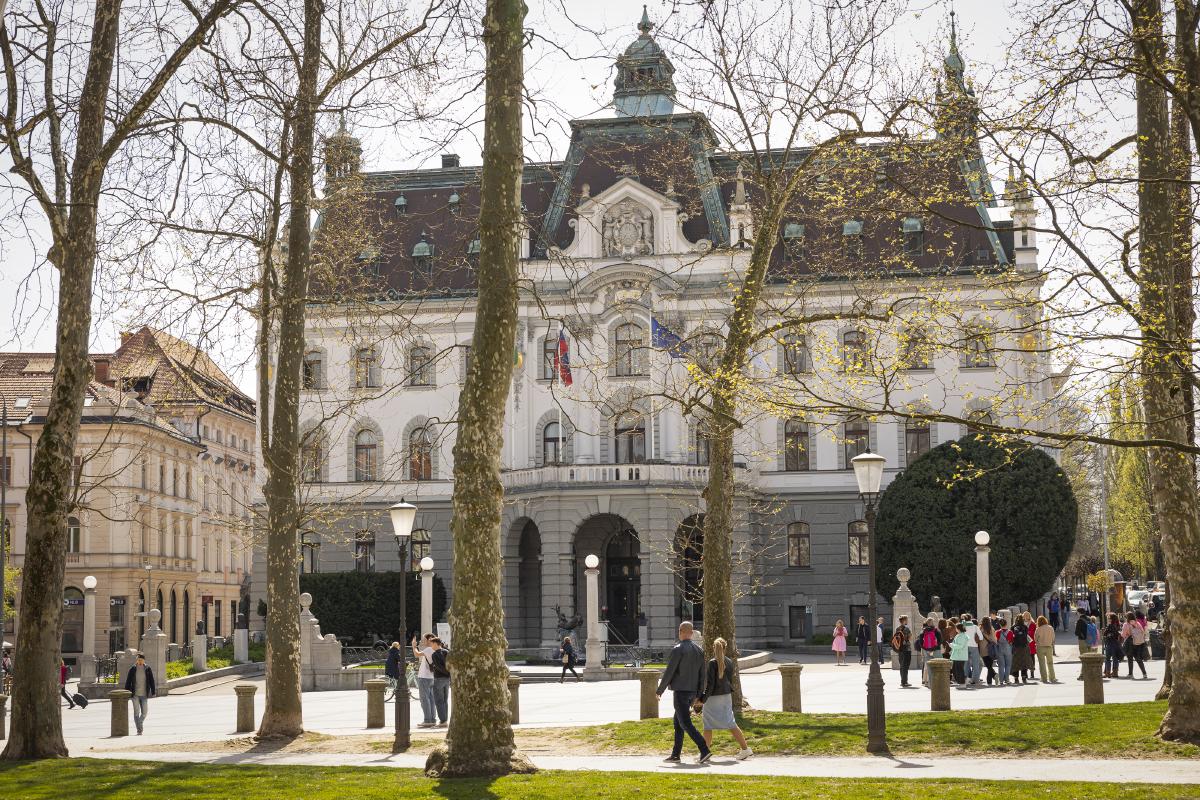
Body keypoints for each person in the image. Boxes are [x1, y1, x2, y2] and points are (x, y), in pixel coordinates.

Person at [656, 621, 711, 764]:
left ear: (680, 632)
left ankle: (704, 749)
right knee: (678, 722)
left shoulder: (678, 649)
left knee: (685, 723)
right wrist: (699, 694)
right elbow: (702, 675)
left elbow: (670, 671)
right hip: (692, 692)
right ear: (691, 633)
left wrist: (660, 690)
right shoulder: (699, 651)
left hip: (680, 691)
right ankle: (676, 754)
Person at [698, 637, 752, 760]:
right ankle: (745, 749)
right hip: (726, 696)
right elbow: (730, 681)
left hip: (713, 698)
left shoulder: (712, 663)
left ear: (713, 648)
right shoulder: (729, 662)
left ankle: (705, 752)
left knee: (708, 725)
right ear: (725, 648)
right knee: (731, 722)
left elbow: (710, 685)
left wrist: (702, 699)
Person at [123, 652, 156, 735]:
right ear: (136, 660)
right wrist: (126, 693)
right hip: (135, 695)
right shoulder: (133, 669)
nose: (140, 661)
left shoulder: (147, 669)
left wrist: (153, 691)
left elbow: (152, 681)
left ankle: (139, 723)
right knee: (136, 713)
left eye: (141, 660)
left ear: (144, 660)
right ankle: (139, 730)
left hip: (144, 694)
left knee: (145, 712)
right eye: (138, 660)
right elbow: (128, 682)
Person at [412, 633, 437, 728]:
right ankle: (432, 719)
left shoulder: (428, 649)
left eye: (424, 639)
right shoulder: (435, 649)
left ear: (429, 639)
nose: (423, 641)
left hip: (424, 677)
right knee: (431, 699)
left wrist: (414, 646)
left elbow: (416, 654)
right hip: (432, 677)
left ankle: (427, 720)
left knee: (424, 699)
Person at [429, 636, 451, 726]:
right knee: (445, 700)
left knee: (438, 700)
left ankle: (443, 720)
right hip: (447, 679)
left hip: (439, 678)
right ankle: (445, 719)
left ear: (435, 643)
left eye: (431, 644)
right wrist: (449, 674)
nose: (431, 646)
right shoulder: (446, 651)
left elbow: (438, 667)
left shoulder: (434, 654)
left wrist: (434, 667)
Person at [1121, 612, 1148, 679]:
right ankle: (1144, 674)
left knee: (1130, 659)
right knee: (1138, 659)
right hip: (1138, 643)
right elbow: (1142, 632)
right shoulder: (1137, 623)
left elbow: (1123, 635)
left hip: (1130, 643)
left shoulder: (1126, 624)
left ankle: (1130, 674)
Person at [918, 618, 941, 686]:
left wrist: (925, 648)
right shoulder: (936, 630)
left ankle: (930, 683)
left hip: (926, 650)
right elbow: (940, 640)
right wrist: (934, 648)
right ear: (933, 623)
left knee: (929, 667)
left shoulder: (923, 631)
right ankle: (938, 682)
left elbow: (920, 642)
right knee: (938, 666)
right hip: (936, 650)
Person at [1033, 614, 1057, 683]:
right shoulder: (1050, 627)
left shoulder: (1038, 629)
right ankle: (1052, 677)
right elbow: (1053, 638)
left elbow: (1035, 639)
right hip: (1049, 647)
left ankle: (1044, 678)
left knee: (1042, 663)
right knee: (1050, 663)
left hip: (1040, 647)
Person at [1010, 614, 1032, 684]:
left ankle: (1016, 678)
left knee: (1016, 663)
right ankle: (1024, 677)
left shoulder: (1013, 627)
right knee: (1024, 662)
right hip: (1024, 647)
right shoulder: (1025, 627)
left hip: (1016, 647)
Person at [894, 615, 913, 687]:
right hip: (907, 649)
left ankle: (903, 681)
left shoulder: (897, 629)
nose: (907, 621)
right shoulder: (907, 629)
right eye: (907, 619)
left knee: (902, 665)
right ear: (904, 620)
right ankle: (904, 682)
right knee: (906, 665)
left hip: (900, 649)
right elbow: (910, 638)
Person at [962, 614, 982, 686]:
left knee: (965, 663)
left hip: (964, 646)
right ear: (971, 619)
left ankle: (966, 679)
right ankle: (974, 680)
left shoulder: (963, 626)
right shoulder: (975, 627)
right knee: (975, 663)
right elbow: (981, 637)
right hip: (974, 646)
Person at [1102, 612, 1123, 679]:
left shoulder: (1110, 626)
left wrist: (1105, 632)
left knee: (1107, 659)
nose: (1108, 619)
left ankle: (1107, 673)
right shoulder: (1118, 625)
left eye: (1109, 618)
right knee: (1115, 659)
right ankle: (1115, 673)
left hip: (1110, 643)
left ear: (1111, 619)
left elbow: (1105, 634)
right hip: (1117, 644)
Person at [993, 618, 1013, 685]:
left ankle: (1001, 680)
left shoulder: (997, 632)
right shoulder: (1010, 632)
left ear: (1000, 625)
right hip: (1008, 649)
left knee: (1001, 666)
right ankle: (1007, 680)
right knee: (1008, 665)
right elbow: (1011, 642)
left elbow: (995, 642)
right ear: (1006, 624)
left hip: (1000, 650)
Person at [979, 617, 997, 685]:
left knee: (988, 666)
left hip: (983, 649)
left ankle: (994, 675)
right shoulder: (991, 628)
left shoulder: (980, 628)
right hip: (991, 649)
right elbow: (994, 639)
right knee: (989, 665)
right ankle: (991, 679)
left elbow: (979, 639)